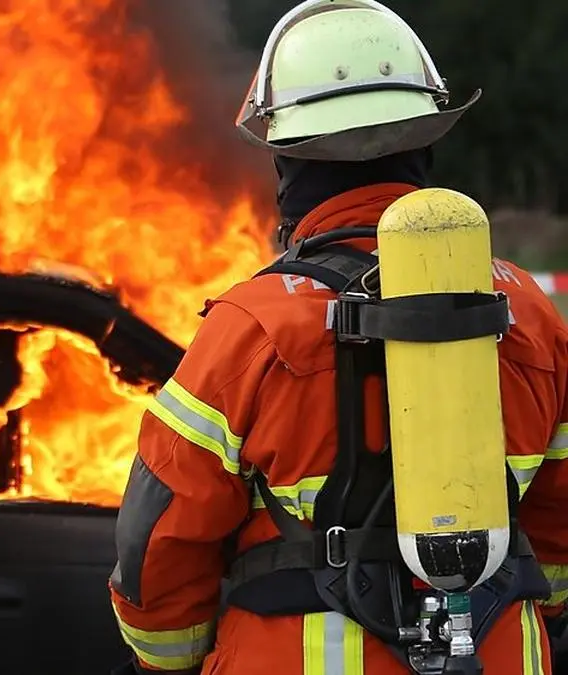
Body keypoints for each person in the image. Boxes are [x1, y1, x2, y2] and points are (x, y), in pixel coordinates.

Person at [107, 1, 568, 674]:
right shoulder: (527, 311)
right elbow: (558, 522)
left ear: (287, 162)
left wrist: (163, 662)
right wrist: (538, 613)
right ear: (424, 142)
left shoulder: (254, 326)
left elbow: (160, 541)